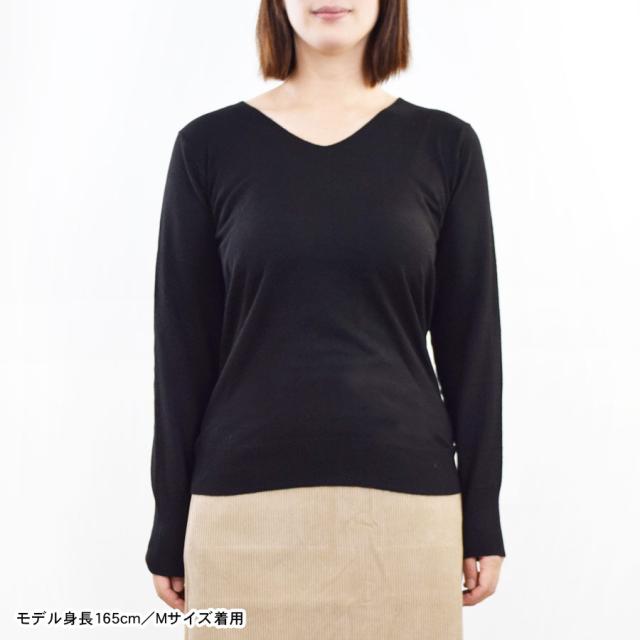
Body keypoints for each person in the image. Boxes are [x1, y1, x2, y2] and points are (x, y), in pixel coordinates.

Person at [145, 1, 506, 638]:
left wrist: (482, 518)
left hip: (407, 513)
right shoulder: (207, 148)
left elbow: (472, 347)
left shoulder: (446, 147)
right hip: (241, 514)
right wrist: (169, 519)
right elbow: (181, 351)